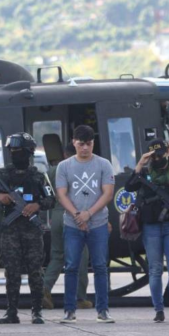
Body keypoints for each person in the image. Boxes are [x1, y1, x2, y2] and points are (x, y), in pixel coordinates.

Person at [124, 138, 169, 323]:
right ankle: (158, 310)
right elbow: (129, 186)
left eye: (161, 153)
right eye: (153, 155)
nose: (157, 157)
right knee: (155, 270)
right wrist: (141, 163)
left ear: (167, 152)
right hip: (151, 226)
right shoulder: (145, 173)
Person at [0, 132, 55, 324]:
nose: (16, 154)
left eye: (19, 150)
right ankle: (12, 311)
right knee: (12, 271)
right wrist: (0, 197)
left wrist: (37, 205)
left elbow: (51, 199)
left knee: (35, 271)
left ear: (29, 152)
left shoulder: (38, 177)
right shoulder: (2, 176)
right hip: (11, 230)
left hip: (32, 230)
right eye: (13, 151)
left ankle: (37, 311)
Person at [56, 125, 115, 324]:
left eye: (88, 144)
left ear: (93, 143)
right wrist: (77, 216)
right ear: (74, 142)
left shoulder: (104, 164)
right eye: (81, 144)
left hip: (98, 223)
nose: (84, 149)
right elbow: (61, 194)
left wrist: (89, 213)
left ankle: (103, 310)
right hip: (72, 224)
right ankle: (69, 309)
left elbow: (108, 193)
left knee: (100, 266)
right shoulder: (64, 166)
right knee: (71, 266)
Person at [42, 143, 92, 310]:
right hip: (75, 216)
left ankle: (44, 290)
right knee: (81, 257)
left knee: (57, 256)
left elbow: (46, 193)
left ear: (64, 154)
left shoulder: (51, 171)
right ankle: (80, 298)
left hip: (56, 215)